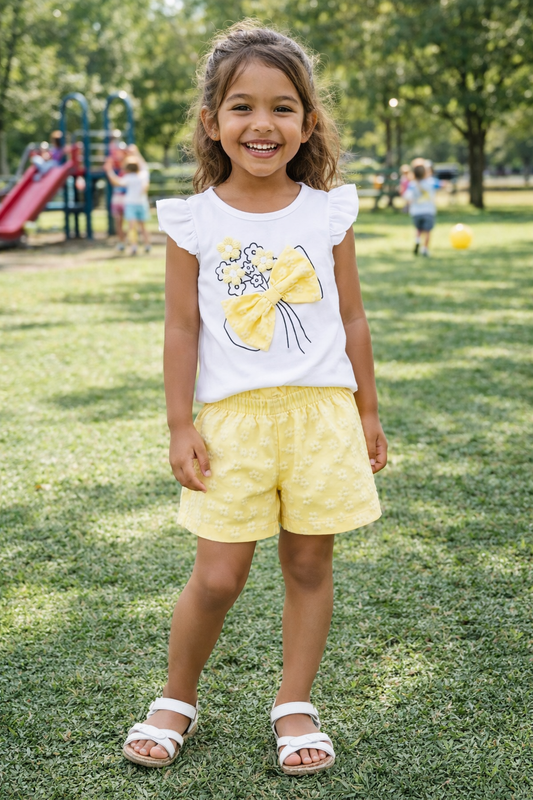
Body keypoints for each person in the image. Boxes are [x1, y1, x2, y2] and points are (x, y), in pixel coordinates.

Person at [122, 21, 387, 776]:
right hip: (232, 423)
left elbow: (351, 315)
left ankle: (293, 702)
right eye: (241, 106)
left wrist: (367, 412)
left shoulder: (328, 211)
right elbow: (180, 329)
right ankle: (176, 696)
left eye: (281, 107)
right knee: (217, 575)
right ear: (212, 123)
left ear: (307, 123)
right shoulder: (193, 221)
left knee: (308, 566)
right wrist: (180, 424)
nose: (261, 124)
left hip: (322, 418)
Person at [105, 156, 151, 255]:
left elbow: (116, 182)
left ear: (127, 169)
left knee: (132, 227)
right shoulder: (143, 175)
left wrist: (109, 170)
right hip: (142, 204)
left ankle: (134, 246)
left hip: (131, 204)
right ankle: (147, 245)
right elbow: (145, 169)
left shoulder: (128, 177)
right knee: (143, 226)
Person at [404, 159, 437, 256]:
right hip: (428, 211)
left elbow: (407, 196)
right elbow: (441, 184)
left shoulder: (412, 185)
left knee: (418, 230)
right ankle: (425, 249)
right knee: (427, 231)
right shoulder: (431, 182)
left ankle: (417, 240)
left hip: (416, 212)